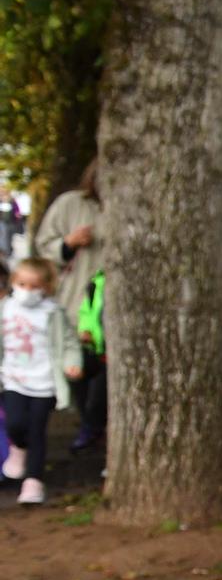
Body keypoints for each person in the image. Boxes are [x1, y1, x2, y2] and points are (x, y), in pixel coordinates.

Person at [30, 160, 109, 449]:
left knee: (107, 364)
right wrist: (69, 243)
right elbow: (43, 246)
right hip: (75, 296)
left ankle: (94, 423)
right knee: (75, 361)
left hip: (111, 302)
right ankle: (88, 419)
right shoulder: (69, 204)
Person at [2, 257, 84, 506]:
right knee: (16, 423)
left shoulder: (53, 313)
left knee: (37, 430)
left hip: (45, 382)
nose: (27, 291)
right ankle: (18, 449)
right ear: (14, 282)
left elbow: (69, 343)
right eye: (22, 284)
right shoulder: (6, 308)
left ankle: (33, 481)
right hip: (13, 379)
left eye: (33, 286)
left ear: (46, 288)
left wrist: (73, 363)